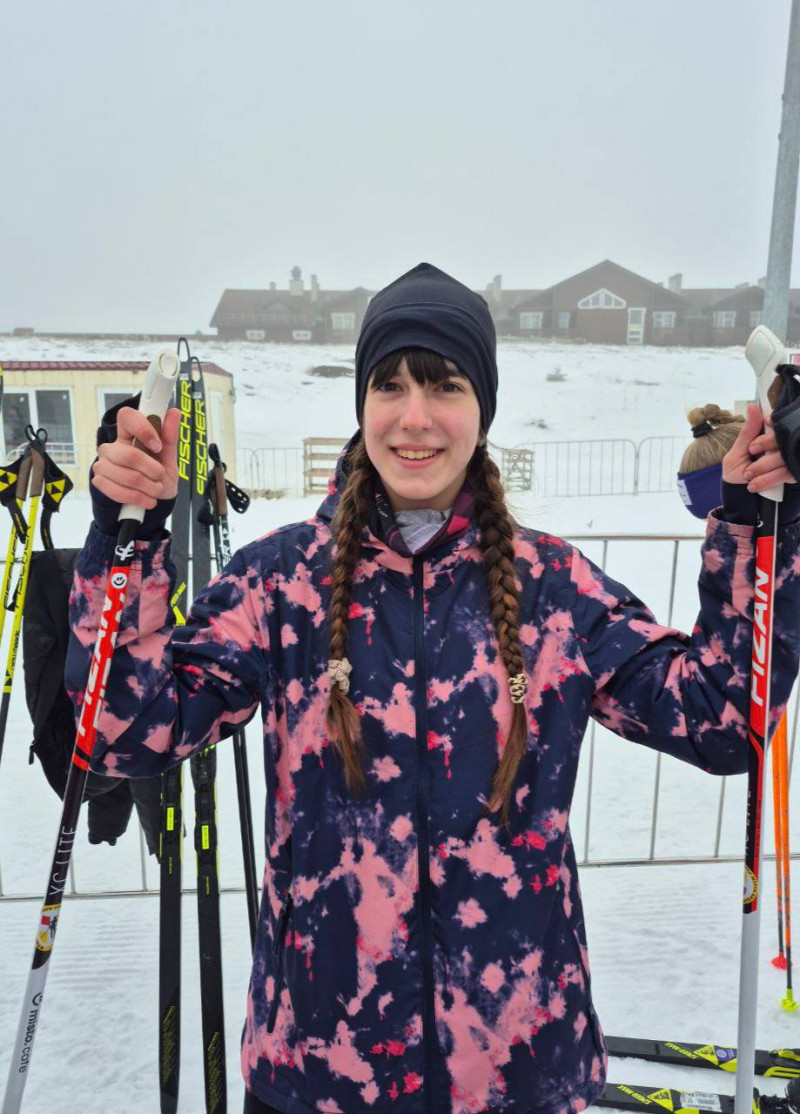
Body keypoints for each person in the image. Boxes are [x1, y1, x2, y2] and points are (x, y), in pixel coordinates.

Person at [69, 263, 800, 1114]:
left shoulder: (554, 587)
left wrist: (757, 524)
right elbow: (123, 730)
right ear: (362, 406)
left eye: (444, 385)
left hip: (518, 1076)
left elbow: (720, 719)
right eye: (390, 385)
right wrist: (127, 538)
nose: (415, 417)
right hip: (317, 1077)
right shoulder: (282, 584)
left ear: (481, 410)